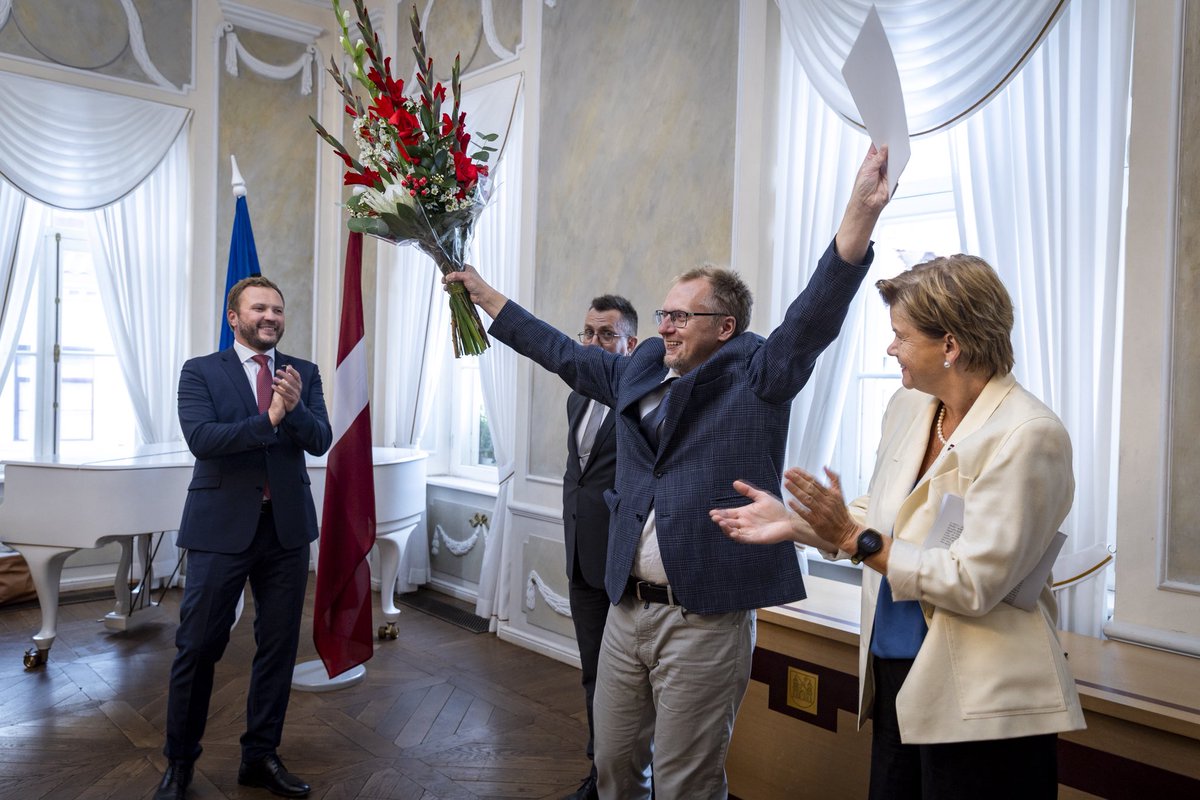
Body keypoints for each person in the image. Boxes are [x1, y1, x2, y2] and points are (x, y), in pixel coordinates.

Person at [445, 146, 890, 799]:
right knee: (616, 768)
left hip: (704, 620)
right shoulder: (639, 366)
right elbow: (562, 354)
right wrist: (488, 298)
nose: (665, 326)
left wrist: (857, 218)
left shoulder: (758, 375)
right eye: (663, 314)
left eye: (681, 316)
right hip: (626, 608)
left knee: (686, 782)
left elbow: (812, 318)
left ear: (726, 326)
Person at [711, 254, 1086, 799]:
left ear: (951, 346)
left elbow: (973, 581)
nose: (890, 349)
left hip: (981, 694)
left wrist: (853, 538)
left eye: (901, 335)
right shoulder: (910, 406)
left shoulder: (1029, 434)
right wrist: (795, 523)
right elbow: (872, 517)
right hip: (895, 668)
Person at [154, 276, 332, 800]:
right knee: (198, 647)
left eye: (278, 308)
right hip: (219, 531)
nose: (271, 316)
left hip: (287, 531)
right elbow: (203, 440)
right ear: (234, 317)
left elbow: (320, 440)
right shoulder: (200, 371)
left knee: (277, 650)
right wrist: (270, 418)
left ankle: (260, 757)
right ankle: (180, 765)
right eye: (259, 308)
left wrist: (294, 409)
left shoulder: (306, 373)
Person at [562, 295, 638, 800]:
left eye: (606, 335)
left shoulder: (645, 401)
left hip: (625, 565)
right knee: (593, 671)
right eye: (587, 333)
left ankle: (631, 781)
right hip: (580, 557)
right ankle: (599, 776)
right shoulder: (576, 395)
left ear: (631, 344)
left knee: (627, 686)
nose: (592, 343)